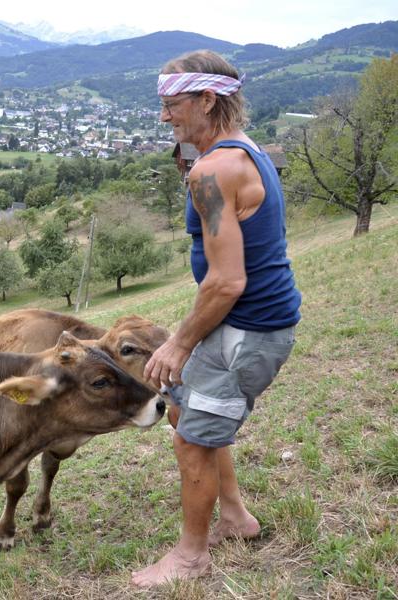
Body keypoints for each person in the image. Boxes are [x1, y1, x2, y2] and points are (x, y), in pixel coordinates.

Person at [132, 50, 302, 587]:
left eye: (172, 104)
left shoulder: (213, 169)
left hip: (247, 329)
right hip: (241, 324)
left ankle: (190, 557)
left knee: (193, 441)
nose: (164, 117)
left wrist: (179, 342)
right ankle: (234, 517)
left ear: (208, 99)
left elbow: (227, 281)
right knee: (184, 412)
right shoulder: (243, 152)